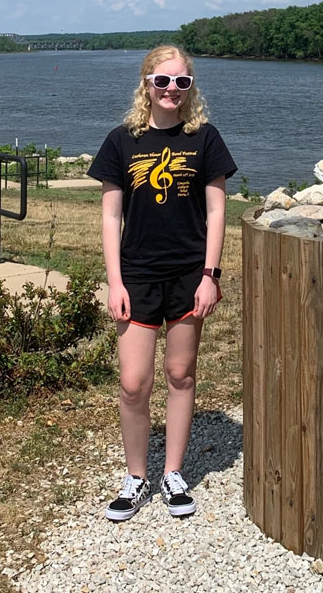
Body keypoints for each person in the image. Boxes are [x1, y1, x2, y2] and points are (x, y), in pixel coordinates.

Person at [87, 45, 237, 521]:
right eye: (163, 81)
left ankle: (173, 473)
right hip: (137, 275)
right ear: (146, 85)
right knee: (133, 383)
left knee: (180, 374)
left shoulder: (205, 139)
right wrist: (115, 281)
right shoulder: (121, 141)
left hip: (190, 274)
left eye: (181, 82)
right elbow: (111, 217)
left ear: (190, 89)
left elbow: (217, 211)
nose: (172, 90)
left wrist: (211, 275)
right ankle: (136, 477)